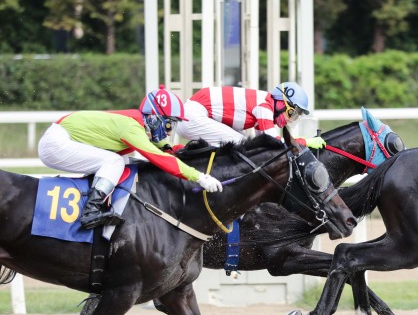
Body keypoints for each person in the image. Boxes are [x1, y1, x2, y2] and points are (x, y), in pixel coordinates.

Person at [38, 85, 224, 230]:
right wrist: (199, 177)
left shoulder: (140, 124)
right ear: (155, 118)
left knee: (126, 163)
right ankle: (91, 211)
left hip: (63, 138)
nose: (169, 132)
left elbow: (167, 151)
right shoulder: (132, 128)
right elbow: (160, 159)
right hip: (56, 143)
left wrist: (200, 153)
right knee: (115, 162)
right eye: (169, 124)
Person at [175, 82, 326, 148]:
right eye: (292, 114)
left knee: (245, 143)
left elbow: (264, 144)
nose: (290, 120)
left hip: (194, 114)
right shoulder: (264, 106)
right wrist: (306, 142)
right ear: (281, 104)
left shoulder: (265, 103)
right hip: (192, 116)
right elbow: (275, 142)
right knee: (241, 144)